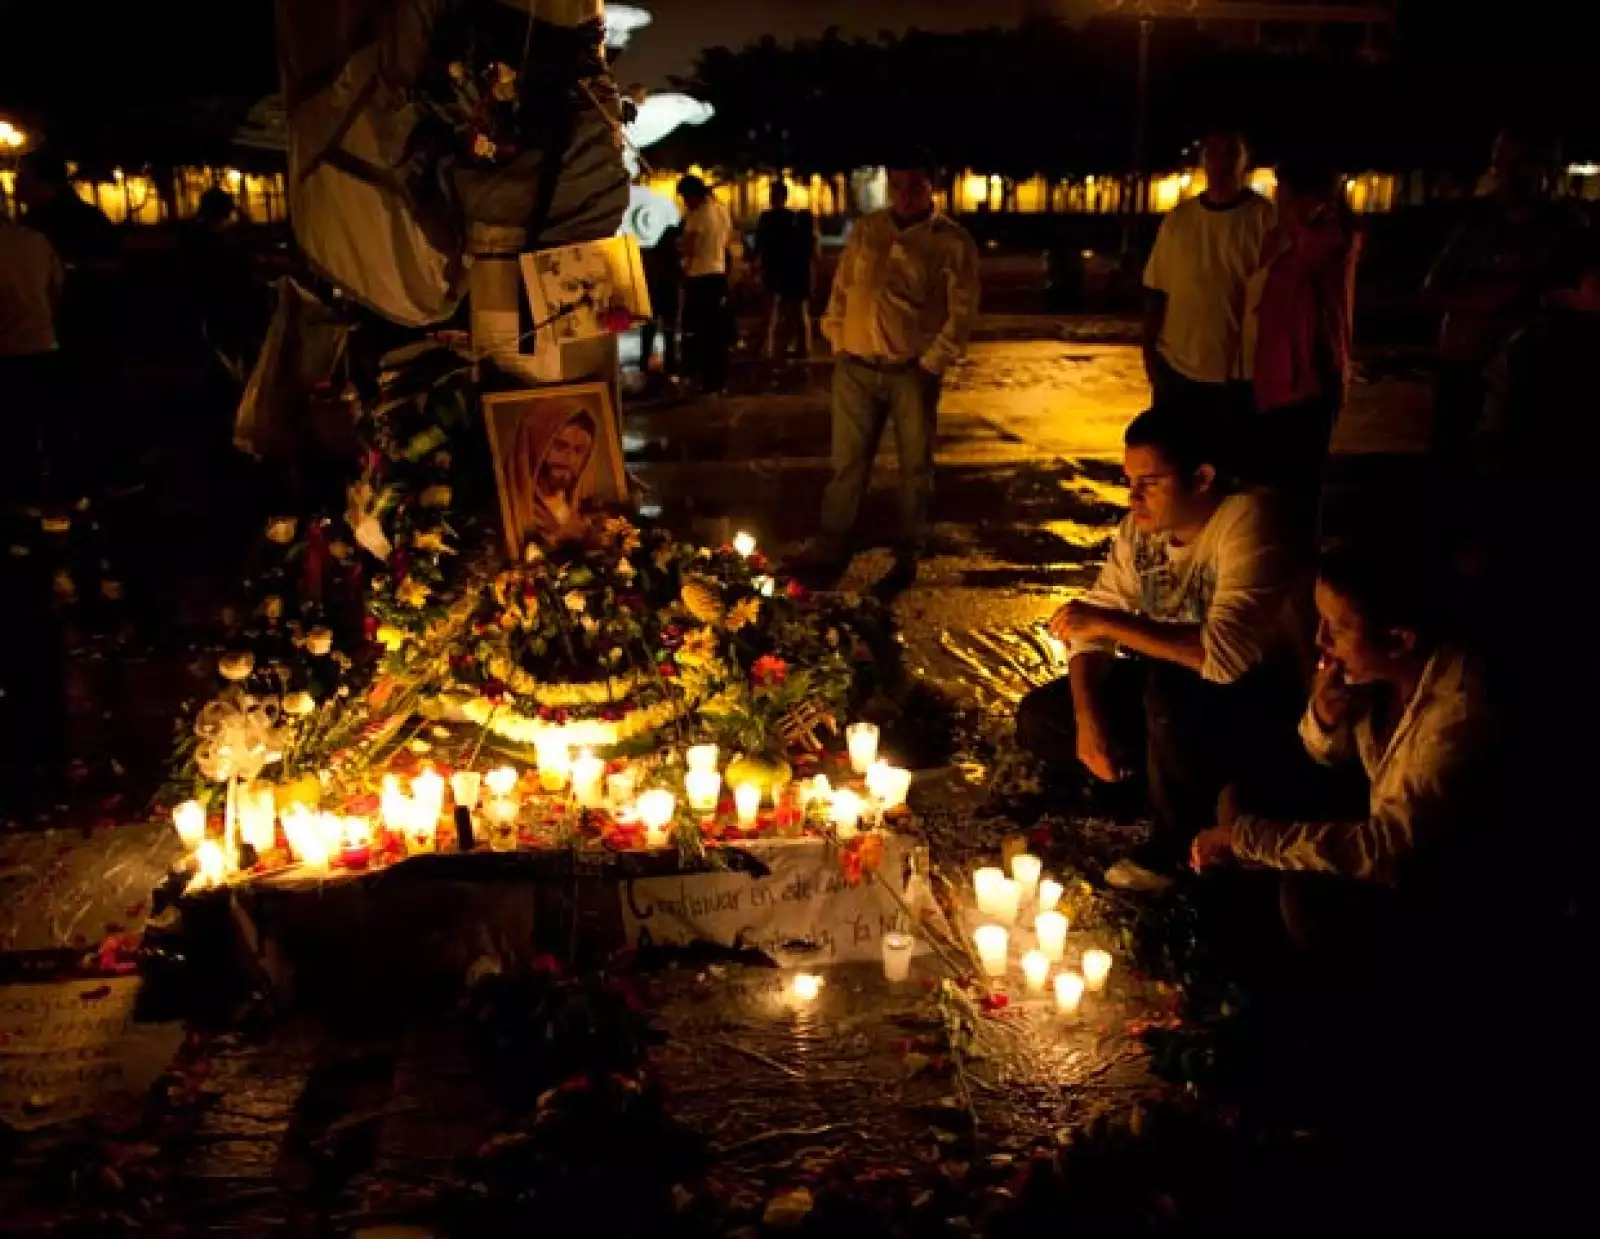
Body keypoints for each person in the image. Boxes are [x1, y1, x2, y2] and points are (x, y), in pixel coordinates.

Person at [1016, 405, 1300, 868]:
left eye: (1150, 483)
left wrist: (1106, 623)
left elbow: (1224, 657)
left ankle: (1176, 847)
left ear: (1202, 477)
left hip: (1253, 700)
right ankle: (1141, 789)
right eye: (1130, 483)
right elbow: (1093, 627)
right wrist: (1089, 721)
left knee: (1168, 693)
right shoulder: (1140, 532)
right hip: (1168, 689)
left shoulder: (1249, 520)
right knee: (1045, 717)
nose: (1134, 499)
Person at [1191, 543, 1496, 942]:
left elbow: (1393, 848)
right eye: (1320, 620)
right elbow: (1326, 756)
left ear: (1399, 640)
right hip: (1380, 827)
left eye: (1338, 627)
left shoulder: (1458, 711)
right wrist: (1325, 717)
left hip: (1440, 882)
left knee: (1307, 901)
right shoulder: (1377, 674)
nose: (1321, 639)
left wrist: (1252, 841)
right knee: (1241, 800)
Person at [806, 148, 980, 584]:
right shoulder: (868, 230)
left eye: (914, 186)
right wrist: (838, 337)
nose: (904, 195)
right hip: (856, 367)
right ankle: (832, 544)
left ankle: (908, 551)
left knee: (914, 467)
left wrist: (930, 364)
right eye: (897, 185)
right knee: (847, 463)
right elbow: (843, 287)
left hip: (910, 372)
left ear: (931, 187)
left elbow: (962, 312)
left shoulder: (951, 241)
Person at [1424, 126, 1571, 470]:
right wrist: (1493, 296)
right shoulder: (1477, 222)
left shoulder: (1564, 227)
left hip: (1527, 378)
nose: (1505, 174)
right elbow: (1433, 289)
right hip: (1463, 367)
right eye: (1500, 163)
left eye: (1518, 164)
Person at [1246, 160, 1363, 531]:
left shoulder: (1326, 240)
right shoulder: (1298, 243)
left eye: (1282, 194)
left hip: (1304, 383)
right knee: (1281, 491)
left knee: (1295, 493)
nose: (1276, 202)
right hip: (1282, 383)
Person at [1143, 129, 1274, 423]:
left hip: (1237, 377)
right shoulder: (1178, 221)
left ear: (1245, 161)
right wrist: (1151, 356)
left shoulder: (1266, 221)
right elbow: (1156, 290)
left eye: (1230, 152)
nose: (1220, 161)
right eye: (1212, 152)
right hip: (1177, 370)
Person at [0, 212, 66, 503]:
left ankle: (24, 500)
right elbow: (57, 287)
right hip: (44, 343)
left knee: (16, 431)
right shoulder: (36, 241)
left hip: (7, 350)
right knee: (54, 425)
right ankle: (67, 492)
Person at [507, 405, 598, 545]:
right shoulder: (511, 509)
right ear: (534, 445)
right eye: (560, 446)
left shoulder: (582, 507)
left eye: (579, 450)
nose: (570, 459)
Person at [677, 175, 733, 395]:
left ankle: (698, 377)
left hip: (699, 277)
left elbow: (689, 248)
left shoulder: (697, 215)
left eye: (685, 197)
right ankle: (717, 380)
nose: (684, 202)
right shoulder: (721, 210)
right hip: (718, 276)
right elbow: (726, 241)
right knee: (717, 332)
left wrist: (682, 264)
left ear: (693, 195)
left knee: (697, 332)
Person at [752, 181, 818, 360]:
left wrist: (756, 265)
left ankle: (769, 348)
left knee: (772, 310)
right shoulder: (792, 219)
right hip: (788, 269)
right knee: (795, 312)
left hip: (774, 268)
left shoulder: (767, 218)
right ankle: (801, 347)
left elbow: (760, 245)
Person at [639, 222, 683, 379]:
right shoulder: (673, 257)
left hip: (653, 296)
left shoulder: (654, 254)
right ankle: (670, 367)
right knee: (668, 333)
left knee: (649, 333)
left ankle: (645, 364)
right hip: (666, 296)